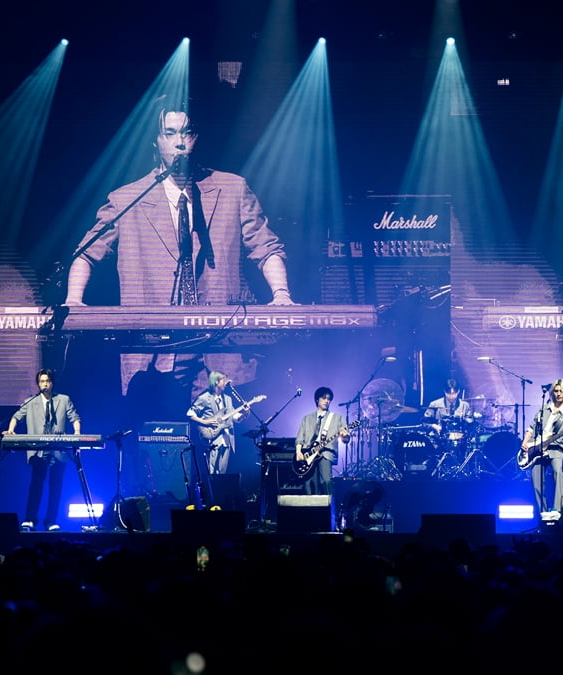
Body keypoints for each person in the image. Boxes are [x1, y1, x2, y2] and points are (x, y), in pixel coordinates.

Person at [63, 98, 295, 398]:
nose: (180, 142)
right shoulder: (126, 199)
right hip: (156, 346)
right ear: (156, 141)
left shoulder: (233, 189)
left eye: (187, 133)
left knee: (223, 424)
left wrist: (281, 295)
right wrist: (73, 300)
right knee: (156, 424)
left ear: (197, 137)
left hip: (222, 343)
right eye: (170, 133)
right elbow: (86, 253)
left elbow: (266, 247)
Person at [6, 368, 81, 532]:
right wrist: (11, 429)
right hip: (38, 450)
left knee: (56, 486)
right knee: (36, 485)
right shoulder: (30, 402)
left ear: (52, 383)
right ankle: (30, 519)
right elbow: (16, 416)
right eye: (41, 381)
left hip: (58, 450)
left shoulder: (63, 399)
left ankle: (51, 521)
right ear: (38, 384)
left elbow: (74, 417)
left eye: (47, 381)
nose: (44, 384)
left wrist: (76, 433)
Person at [521, 379, 563, 522]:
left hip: (557, 448)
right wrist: (525, 442)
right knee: (535, 477)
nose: (558, 394)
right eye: (556, 391)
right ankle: (542, 512)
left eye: (561, 391)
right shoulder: (544, 410)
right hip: (538, 448)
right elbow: (531, 428)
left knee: (558, 471)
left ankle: (559, 509)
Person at [187, 371, 255, 476]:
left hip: (227, 438)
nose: (226, 382)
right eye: (223, 380)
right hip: (213, 437)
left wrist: (245, 414)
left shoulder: (227, 399)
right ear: (216, 382)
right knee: (211, 472)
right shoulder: (204, 398)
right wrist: (205, 422)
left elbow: (234, 417)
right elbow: (190, 414)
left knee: (222, 472)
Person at [294, 387, 351, 496]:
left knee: (325, 482)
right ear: (317, 399)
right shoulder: (307, 418)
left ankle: (328, 505)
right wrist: (298, 452)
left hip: (325, 453)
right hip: (307, 455)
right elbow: (300, 438)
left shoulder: (337, 418)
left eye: (329, 399)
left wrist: (345, 436)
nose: (326, 401)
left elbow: (345, 439)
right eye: (324, 398)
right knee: (309, 485)